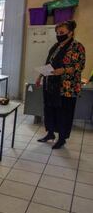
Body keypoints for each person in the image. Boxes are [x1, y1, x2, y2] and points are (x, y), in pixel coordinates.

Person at [36, 20, 86, 149]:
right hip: (51, 84)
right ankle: (50, 133)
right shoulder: (56, 46)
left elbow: (79, 66)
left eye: (62, 32)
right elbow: (49, 63)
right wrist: (40, 76)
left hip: (66, 87)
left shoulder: (77, 47)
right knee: (50, 109)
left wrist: (63, 70)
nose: (59, 34)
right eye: (57, 32)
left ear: (71, 33)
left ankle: (62, 138)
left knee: (64, 113)